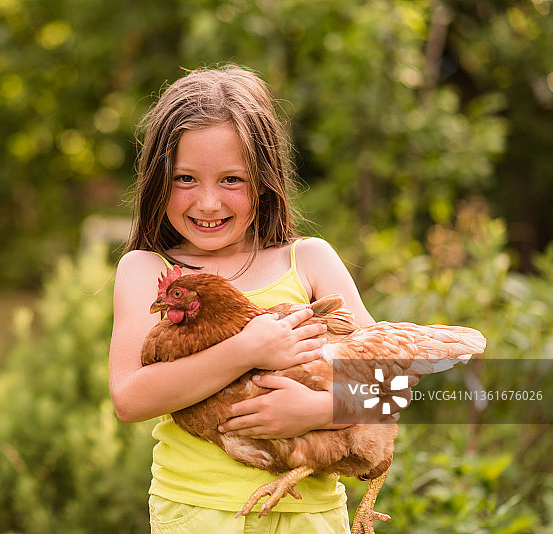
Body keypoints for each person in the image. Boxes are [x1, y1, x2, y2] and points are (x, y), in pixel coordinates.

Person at [108, 65, 375, 533]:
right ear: (156, 180)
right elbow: (129, 399)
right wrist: (247, 349)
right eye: (185, 178)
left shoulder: (309, 262)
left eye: (231, 180)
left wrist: (317, 410)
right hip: (197, 512)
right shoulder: (146, 269)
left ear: (265, 180)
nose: (208, 203)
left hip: (308, 516)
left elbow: (392, 385)